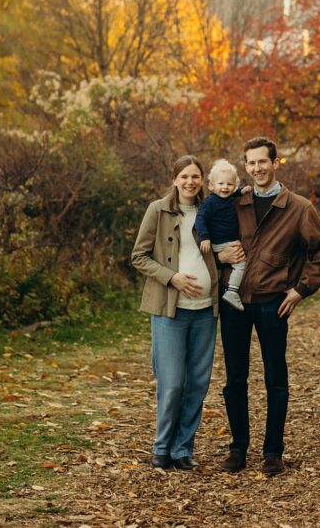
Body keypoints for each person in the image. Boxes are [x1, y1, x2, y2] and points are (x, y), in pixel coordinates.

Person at [215, 136, 320, 476]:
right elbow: (207, 231)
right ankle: (238, 449)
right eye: (250, 163)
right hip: (233, 302)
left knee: (275, 379)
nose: (256, 168)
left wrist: (300, 290)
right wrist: (219, 256)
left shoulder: (298, 208)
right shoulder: (234, 202)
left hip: (272, 304)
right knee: (235, 379)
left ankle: (273, 452)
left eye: (262, 162)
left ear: (275, 163)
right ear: (245, 167)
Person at [131, 155, 221, 471]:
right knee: (172, 384)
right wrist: (173, 277)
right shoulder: (158, 210)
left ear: (202, 180)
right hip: (171, 312)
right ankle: (161, 447)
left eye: (195, 176)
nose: (190, 182)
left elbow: (222, 249)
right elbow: (139, 257)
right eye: (184, 176)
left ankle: (183, 449)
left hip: (205, 313)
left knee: (197, 382)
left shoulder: (211, 210)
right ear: (174, 178)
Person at [195, 158, 250, 311]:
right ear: (212, 185)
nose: (225, 187)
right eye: (221, 184)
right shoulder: (210, 202)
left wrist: (242, 191)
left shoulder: (231, 197)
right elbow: (200, 219)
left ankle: (231, 290)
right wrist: (204, 237)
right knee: (241, 264)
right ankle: (232, 291)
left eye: (229, 184)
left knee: (239, 261)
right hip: (219, 242)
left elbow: (235, 193)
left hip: (228, 241)